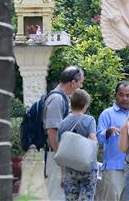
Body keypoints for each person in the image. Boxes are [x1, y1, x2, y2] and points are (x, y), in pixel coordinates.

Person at [44, 66, 85, 200]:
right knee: (57, 195)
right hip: (55, 156)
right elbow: (52, 132)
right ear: (73, 83)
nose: (81, 86)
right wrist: (61, 162)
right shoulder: (57, 99)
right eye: (80, 83)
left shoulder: (63, 98)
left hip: (58, 156)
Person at [58, 89, 99, 201]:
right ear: (85, 104)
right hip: (87, 169)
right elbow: (93, 142)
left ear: (72, 103)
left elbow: (61, 151)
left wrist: (62, 174)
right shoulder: (89, 120)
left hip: (69, 169)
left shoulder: (63, 123)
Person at [96, 81, 129, 201]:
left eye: (128, 95)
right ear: (115, 95)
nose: (124, 98)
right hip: (113, 168)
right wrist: (108, 131)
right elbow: (99, 139)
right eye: (121, 95)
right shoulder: (107, 114)